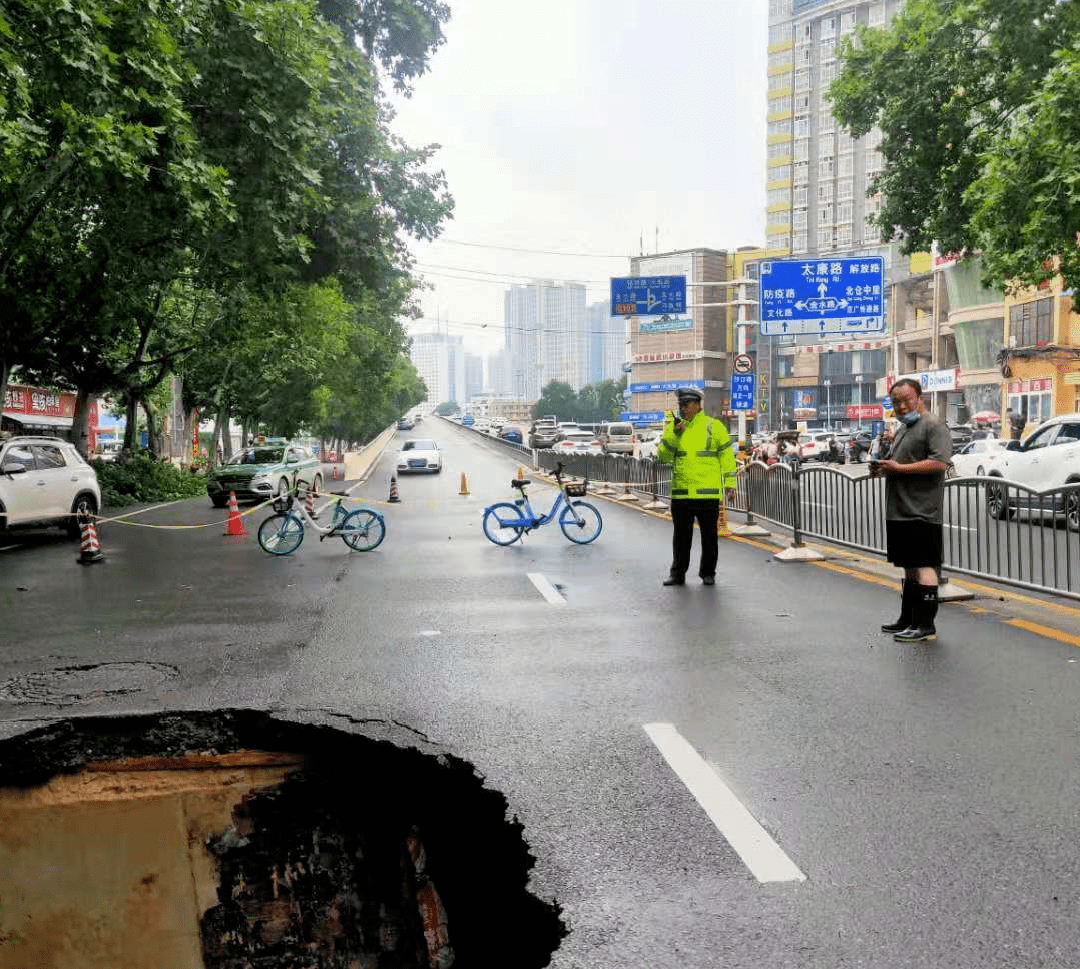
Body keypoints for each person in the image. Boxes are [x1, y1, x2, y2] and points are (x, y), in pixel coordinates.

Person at [870, 378, 952, 642]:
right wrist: (885, 467)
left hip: (922, 509)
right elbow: (902, 462)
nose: (902, 406)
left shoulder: (933, 424)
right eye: (896, 402)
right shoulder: (905, 428)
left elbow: (939, 463)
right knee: (908, 566)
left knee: (924, 565)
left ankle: (925, 624)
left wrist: (899, 469)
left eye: (907, 400)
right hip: (900, 508)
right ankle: (909, 619)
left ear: (920, 397)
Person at [656, 387, 737, 587]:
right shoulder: (674, 427)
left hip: (707, 494)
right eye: (680, 405)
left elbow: (727, 457)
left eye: (686, 404)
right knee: (681, 539)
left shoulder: (714, 426)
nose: (682, 408)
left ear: (697, 404)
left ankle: (708, 573)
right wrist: (675, 435)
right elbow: (663, 457)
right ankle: (678, 574)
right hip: (681, 494)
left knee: (709, 538)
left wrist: (730, 484)